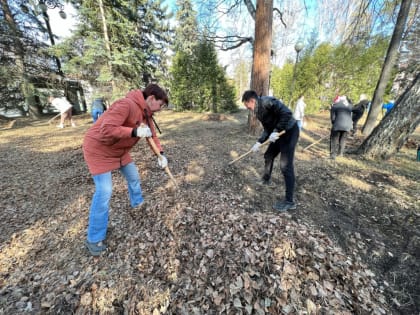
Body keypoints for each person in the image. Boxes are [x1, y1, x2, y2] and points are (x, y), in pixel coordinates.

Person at [82, 83, 169, 256]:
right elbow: (105, 129)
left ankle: (137, 205)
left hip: (119, 152)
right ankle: (94, 239)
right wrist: (134, 132)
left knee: (134, 177)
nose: (160, 109)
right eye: (160, 104)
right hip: (99, 151)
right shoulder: (125, 104)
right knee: (104, 192)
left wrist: (161, 154)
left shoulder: (147, 113)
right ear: (151, 98)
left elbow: (152, 136)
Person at [242, 90, 299, 212]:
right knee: (268, 155)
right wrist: (259, 142)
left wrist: (276, 130)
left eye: (247, 105)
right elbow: (267, 129)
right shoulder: (258, 112)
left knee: (285, 166)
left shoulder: (268, 102)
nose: (247, 108)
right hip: (277, 134)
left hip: (289, 132)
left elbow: (287, 114)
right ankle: (266, 179)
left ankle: (289, 201)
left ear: (251, 101)